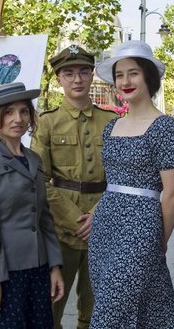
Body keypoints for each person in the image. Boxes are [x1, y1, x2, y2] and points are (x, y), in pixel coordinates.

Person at [89, 40, 174, 328]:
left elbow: (173, 192)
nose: (125, 81)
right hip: (106, 228)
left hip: (141, 225)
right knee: (145, 302)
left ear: (148, 77)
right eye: (119, 75)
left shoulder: (165, 126)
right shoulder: (112, 126)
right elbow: (112, 182)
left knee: (110, 311)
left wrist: (160, 241)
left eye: (133, 73)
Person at [0, 82, 65, 328]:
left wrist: (54, 266)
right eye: (8, 112)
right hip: (3, 273)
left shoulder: (33, 159)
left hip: (38, 270)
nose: (18, 118)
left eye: (23, 111)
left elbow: (44, 219)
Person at [31, 45, 118, 329]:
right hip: (61, 232)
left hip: (103, 228)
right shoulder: (47, 122)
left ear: (92, 75)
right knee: (51, 305)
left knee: (96, 309)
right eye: (69, 73)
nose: (77, 79)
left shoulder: (112, 122)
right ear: (59, 79)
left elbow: (121, 176)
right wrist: (74, 219)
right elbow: (39, 179)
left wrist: (97, 215)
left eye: (83, 72)